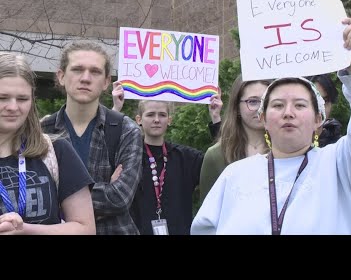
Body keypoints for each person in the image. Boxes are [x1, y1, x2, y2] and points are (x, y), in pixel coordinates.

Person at [191, 18, 351, 235]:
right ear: (263, 118)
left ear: (319, 119)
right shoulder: (235, 175)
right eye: (278, 105)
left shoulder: (342, 166)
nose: (288, 112)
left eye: (300, 105)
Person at [41, 42, 143, 235]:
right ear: (61, 76)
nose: (85, 78)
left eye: (95, 72)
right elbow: (36, 200)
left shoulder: (125, 130)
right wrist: (104, 187)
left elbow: (120, 197)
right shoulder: (42, 132)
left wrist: (59, 196)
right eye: (77, 69)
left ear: (106, 82)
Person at [0, 52, 95, 234]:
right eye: (2, 98)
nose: (13, 107)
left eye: (22, 99)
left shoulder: (55, 151)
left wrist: (27, 230)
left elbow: (86, 229)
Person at [112, 95, 204, 235]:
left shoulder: (186, 158)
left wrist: (215, 118)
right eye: (150, 114)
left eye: (162, 115)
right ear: (139, 120)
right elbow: (106, 147)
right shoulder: (128, 156)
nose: (156, 120)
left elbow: (220, 163)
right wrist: (116, 109)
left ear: (169, 120)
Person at [199, 75, 271, 203]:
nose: (261, 109)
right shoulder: (216, 156)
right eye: (253, 102)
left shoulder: (288, 150)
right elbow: (208, 216)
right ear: (237, 107)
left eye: (267, 101)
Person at [307, 74, 342, 147]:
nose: (319, 109)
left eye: (325, 101)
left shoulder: (338, 148)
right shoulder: (280, 147)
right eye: (313, 101)